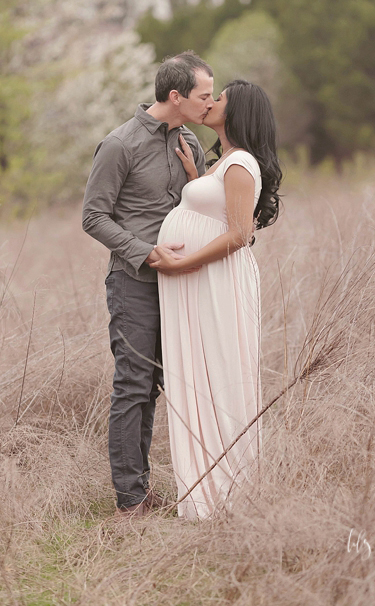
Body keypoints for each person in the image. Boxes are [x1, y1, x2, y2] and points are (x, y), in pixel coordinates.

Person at [82, 51, 213, 518]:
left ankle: (141, 489)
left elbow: (194, 204)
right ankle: (130, 502)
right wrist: (144, 250)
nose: (209, 103)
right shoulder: (119, 144)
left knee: (155, 385)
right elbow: (93, 217)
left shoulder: (190, 142)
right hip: (133, 281)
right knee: (132, 386)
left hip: (179, 284)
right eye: (203, 95)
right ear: (175, 95)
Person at [150, 79, 283, 519]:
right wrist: (196, 179)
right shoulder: (225, 160)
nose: (209, 103)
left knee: (220, 372)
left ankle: (228, 493)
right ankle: (205, 485)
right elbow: (217, 210)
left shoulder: (242, 162)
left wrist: (183, 263)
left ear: (237, 110)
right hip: (201, 280)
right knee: (199, 373)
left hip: (216, 278)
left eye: (218, 98)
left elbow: (241, 233)